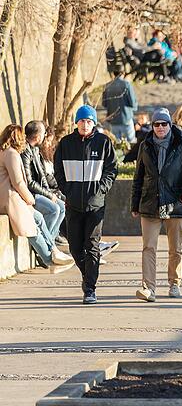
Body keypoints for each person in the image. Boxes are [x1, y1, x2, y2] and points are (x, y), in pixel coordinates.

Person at [131, 108, 182, 302]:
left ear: (170, 125)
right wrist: (135, 204)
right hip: (150, 202)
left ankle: (174, 283)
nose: (160, 127)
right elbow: (138, 177)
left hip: (175, 202)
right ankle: (148, 288)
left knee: (175, 248)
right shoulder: (145, 145)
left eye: (164, 124)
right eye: (156, 124)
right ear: (152, 126)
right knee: (148, 247)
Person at [54, 105, 117, 304]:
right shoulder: (65, 143)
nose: (85, 125)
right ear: (76, 123)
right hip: (73, 204)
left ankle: (90, 288)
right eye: (82, 121)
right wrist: (67, 190)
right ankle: (87, 274)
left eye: (89, 121)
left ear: (93, 123)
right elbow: (58, 171)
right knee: (74, 247)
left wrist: (101, 189)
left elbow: (111, 169)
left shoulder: (103, 142)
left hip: (95, 205)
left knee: (92, 245)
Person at [1, 125, 74, 270]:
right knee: (30, 226)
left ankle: (53, 252)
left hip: (12, 197)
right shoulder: (11, 154)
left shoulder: (7, 152)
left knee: (39, 218)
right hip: (10, 198)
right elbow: (19, 182)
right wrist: (29, 199)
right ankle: (49, 259)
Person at [21, 121, 66, 241]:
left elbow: (43, 177)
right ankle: (45, 246)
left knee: (63, 207)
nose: (45, 136)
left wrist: (50, 194)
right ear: (37, 136)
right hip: (30, 194)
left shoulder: (35, 150)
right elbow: (29, 182)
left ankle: (49, 245)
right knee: (54, 210)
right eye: (44, 133)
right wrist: (48, 194)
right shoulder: (25, 152)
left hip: (40, 192)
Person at [102, 68, 138, 142]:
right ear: (123, 73)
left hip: (113, 120)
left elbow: (104, 104)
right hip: (126, 119)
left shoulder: (107, 86)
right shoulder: (127, 84)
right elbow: (133, 103)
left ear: (113, 73)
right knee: (131, 142)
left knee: (116, 144)